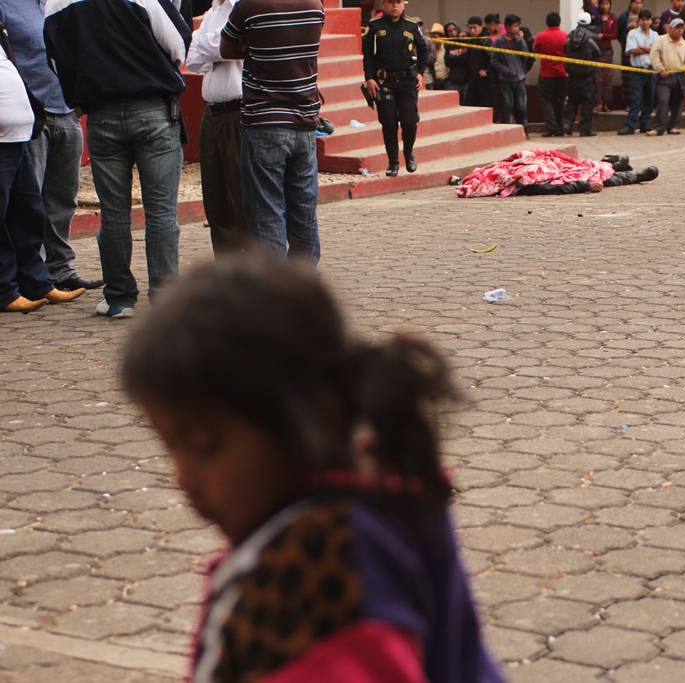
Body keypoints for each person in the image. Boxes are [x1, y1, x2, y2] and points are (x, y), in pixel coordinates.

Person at [121, 255, 505, 683]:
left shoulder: (319, 582)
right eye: (169, 446)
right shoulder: (383, 497)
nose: (182, 476)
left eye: (204, 445)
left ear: (320, 419)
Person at [44, 0, 191, 318]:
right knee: (162, 212)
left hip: (101, 115)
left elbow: (56, 60)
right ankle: (166, 299)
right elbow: (178, 45)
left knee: (113, 214)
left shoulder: (56, 4)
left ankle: (119, 297)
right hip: (153, 110)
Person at [0, 0, 101, 293]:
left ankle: (60, 269)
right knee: (29, 203)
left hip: (68, 111)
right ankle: (29, 275)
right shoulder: (8, 5)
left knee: (63, 198)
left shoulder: (64, 2)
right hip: (32, 116)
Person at [221, 0, 324, 263]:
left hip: (264, 124)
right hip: (304, 123)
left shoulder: (249, 6)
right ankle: (304, 289)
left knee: (267, 215)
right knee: (303, 214)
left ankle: (275, 296)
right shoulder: (315, 5)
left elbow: (226, 48)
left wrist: (252, 44)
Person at [185, 0, 250, 258]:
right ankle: (227, 275)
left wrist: (209, 44)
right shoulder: (213, 12)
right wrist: (221, 44)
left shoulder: (244, 7)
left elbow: (242, 45)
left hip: (238, 113)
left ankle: (256, 276)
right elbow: (191, 59)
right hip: (211, 113)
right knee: (216, 202)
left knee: (242, 198)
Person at [363, 0, 426, 178]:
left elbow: (424, 51)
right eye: (391, 2)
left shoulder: (412, 25)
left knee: (409, 121)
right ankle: (393, 162)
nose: (395, 6)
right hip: (385, 82)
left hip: (407, 82)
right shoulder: (375, 26)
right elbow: (367, 53)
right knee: (389, 123)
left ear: (403, 4)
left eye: (398, 2)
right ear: (384, 4)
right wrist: (369, 77)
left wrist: (421, 72)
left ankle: (409, 153)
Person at [456, 149, 658, 198]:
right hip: (545, 177)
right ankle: (634, 176)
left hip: (534, 168)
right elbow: (552, 187)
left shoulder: (501, 175)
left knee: (560, 162)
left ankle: (609, 165)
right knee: (593, 179)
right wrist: (585, 186)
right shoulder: (525, 187)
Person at [649, 18, 685, 135]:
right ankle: (658, 127)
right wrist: (660, 69)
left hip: (680, 76)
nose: (679, 31)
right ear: (671, 28)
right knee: (663, 100)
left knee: (678, 101)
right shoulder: (660, 40)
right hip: (665, 75)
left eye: (681, 28)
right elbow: (654, 57)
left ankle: (673, 126)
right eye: (677, 28)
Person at [491, 14, 530, 136]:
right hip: (505, 79)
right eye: (515, 26)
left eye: (518, 26)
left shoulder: (518, 40)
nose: (517, 29)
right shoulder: (499, 42)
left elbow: (526, 55)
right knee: (508, 106)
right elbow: (494, 61)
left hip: (519, 78)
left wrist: (521, 40)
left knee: (522, 106)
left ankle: (524, 131)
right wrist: (505, 70)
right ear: (507, 27)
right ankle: (510, 133)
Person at [618, 8, 656, 134]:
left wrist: (642, 47)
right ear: (639, 21)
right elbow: (632, 51)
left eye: (648, 20)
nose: (645, 22)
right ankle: (630, 125)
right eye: (643, 20)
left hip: (651, 70)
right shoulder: (632, 34)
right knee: (636, 98)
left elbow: (657, 51)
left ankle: (645, 123)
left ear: (651, 21)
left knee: (650, 98)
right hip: (638, 71)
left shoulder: (655, 35)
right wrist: (649, 49)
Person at [563, 12, 601, 136]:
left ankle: (568, 123)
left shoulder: (569, 36)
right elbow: (598, 54)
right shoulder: (593, 38)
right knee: (587, 102)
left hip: (572, 75)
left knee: (572, 101)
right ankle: (585, 129)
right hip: (587, 75)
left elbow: (565, 50)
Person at [533, 12, 569, 137]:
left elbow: (535, 49)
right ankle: (560, 127)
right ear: (559, 22)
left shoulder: (541, 36)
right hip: (562, 73)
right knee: (560, 101)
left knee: (545, 100)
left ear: (547, 22)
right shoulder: (565, 36)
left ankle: (552, 127)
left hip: (546, 74)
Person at [464, 17, 495, 110]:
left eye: (475, 28)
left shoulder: (486, 41)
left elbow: (493, 58)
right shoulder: (470, 40)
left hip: (484, 80)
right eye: (470, 28)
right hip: (472, 78)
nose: (472, 31)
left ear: (481, 27)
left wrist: (487, 71)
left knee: (486, 105)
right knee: (470, 105)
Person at [617, 0, 643, 107]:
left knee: (642, 76)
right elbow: (619, 33)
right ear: (631, 3)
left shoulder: (644, 15)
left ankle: (641, 102)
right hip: (627, 51)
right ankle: (628, 103)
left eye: (640, 3)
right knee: (628, 78)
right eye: (636, 2)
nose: (638, 5)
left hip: (643, 51)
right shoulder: (623, 16)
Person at [595, 0, 616, 111]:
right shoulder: (596, 18)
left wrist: (604, 35)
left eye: (607, 4)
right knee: (598, 77)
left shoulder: (613, 18)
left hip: (607, 50)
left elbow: (615, 34)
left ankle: (605, 103)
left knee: (607, 77)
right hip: (596, 49)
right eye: (602, 4)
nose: (604, 6)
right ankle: (598, 102)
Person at [443, 21, 470, 102]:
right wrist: (461, 56)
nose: (453, 33)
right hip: (454, 80)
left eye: (454, 29)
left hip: (467, 80)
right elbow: (447, 62)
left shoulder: (465, 41)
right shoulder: (448, 45)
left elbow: (467, 58)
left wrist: (455, 58)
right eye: (450, 31)